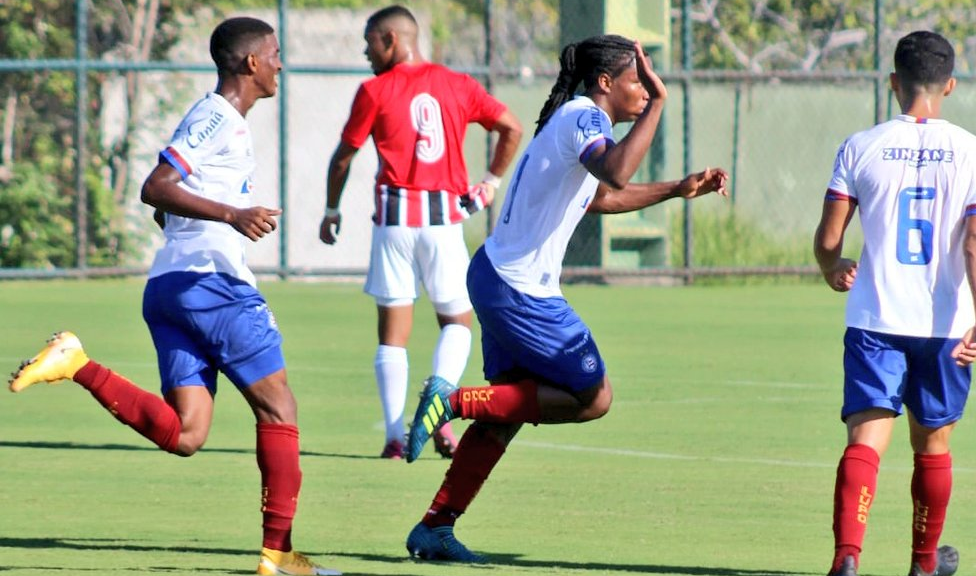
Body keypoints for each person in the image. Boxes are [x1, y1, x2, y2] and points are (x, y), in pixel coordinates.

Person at [7, 17, 340, 576]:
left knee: (187, 434)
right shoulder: (218, 117)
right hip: (212, 286)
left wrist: (206, 217)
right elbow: (155, 188)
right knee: (279, 407)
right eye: (275, 53)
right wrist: (233, 215)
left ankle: (77, 362)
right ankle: (278, 556)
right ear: (251, 63)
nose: (281, 63)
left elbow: (169, 206)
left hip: (170, 287)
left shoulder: (225, 123)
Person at [400, 34, 728, 562]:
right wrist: (663, 103)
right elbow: (617, 172)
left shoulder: (577, 121)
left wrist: (676, 187)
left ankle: (435, 527)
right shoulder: (585, 117)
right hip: (520, 290)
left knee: (503, 415)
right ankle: (452, 401)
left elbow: (601, 195)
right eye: (636, 80)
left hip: (498, 277)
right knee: (593, 396)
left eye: (648, 86)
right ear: (605, 84)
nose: (644, 90)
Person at [813, 30, 976, 576]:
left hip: (876, 317)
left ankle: (847, 556)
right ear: (951, 85)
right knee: (933, 446)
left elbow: (828, 239)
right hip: (947, 325)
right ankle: (922, 564)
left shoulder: (860, 145)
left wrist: (831, 267)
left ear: (893, 82)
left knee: (866, 440)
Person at [318, 4, 523, 460]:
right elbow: (511, 127)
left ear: (391, 40)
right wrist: (490, 182)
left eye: (370, 41)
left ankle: (394, 436)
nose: (365, 51)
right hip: (443, 220)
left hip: (394, 221)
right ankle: (438, 408)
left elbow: (344, 157)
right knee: (457, 322)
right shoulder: (457, 84)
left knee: (393, 334)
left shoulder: (374, 90)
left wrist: (331, 208)